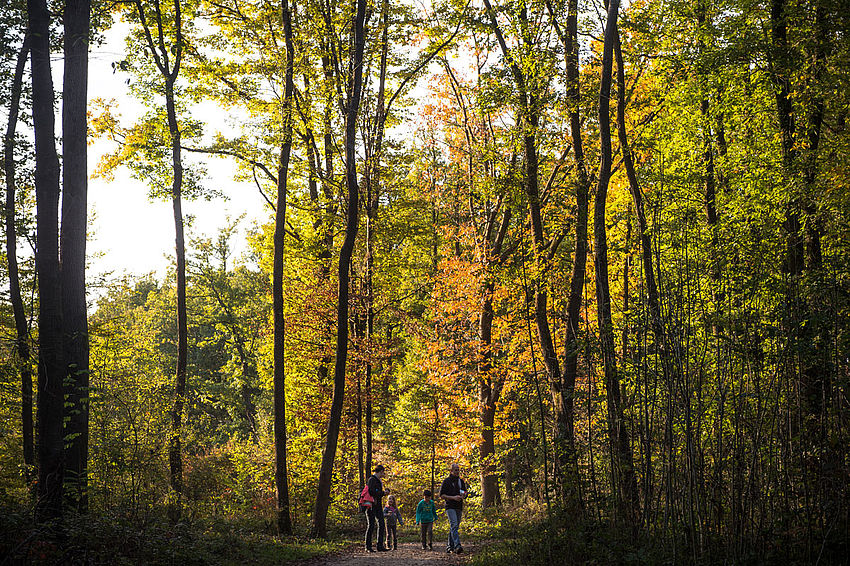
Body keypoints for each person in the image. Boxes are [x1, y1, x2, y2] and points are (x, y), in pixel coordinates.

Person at [439, 462, 467, 554]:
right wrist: (453, 498)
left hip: (459, 506)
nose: (457, 472)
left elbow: (464, 492)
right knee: (454, 525)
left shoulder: (461, 481)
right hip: (450, 506)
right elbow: (442, 495)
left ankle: (449, 546)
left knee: (454, 527)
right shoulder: (446, 481)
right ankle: (457, 545)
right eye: (455, 470)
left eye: (458, 470)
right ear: (451, 471)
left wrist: (462, 496)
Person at [365, 464, 391, 552]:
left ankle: (380, 546)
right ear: (380, 471)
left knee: (381, 524)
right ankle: (368, 547)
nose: (384, 474)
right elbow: (372, 492)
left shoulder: (378, 480)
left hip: (378, 505)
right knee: (371, 525)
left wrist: (382, 493)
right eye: (383, 472)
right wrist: (383, 493)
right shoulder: (372, 480)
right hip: (371, 506)